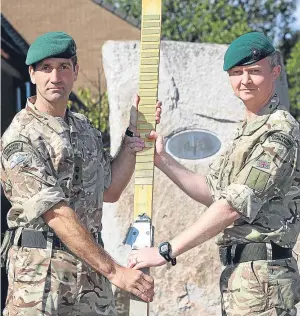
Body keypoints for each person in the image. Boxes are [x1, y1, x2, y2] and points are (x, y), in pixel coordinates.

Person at [129, 31, 300, 316]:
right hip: (242, 278)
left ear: (275, 72)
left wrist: (166, 251)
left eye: (254, 71)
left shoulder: (279, 130)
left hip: (264, 282)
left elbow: (232, 205)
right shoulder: (245, 131)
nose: (244, 80)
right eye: (236, 72)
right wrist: (162, 160)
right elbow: (212, 192)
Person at [0, 31, 162, 316]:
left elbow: (110, 190)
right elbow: (55, 213)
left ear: (75, 71)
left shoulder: (84, 129)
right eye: (46, 68)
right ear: (32, 74)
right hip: (41, 280)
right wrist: (115, 272)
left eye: (63, 67)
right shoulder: (21, 137)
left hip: (91, 279)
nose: (55, 77)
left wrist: (132, 136)